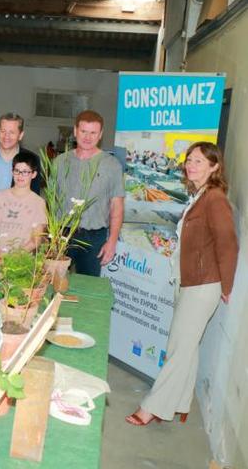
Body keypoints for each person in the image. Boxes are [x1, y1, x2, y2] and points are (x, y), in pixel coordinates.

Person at [126, 142, 238, 427]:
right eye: (189, 160)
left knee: (178, 348)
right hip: (188, 281)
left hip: (203, 285)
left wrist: (226, 286)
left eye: (199, 161)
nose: (191, 165)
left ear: (215, 167)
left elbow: (227, 244)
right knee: (188, 347)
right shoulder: (199, 195)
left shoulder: (215, 199)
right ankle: (179, 403)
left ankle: (152, 407)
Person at [54, 110, 124, 276]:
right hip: (61, 235)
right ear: (75, 131)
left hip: (94, 238)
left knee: (88, 288)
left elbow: (117, 206)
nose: (87, 137)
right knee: (54, 284)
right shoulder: (60, 162)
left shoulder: (112, 165)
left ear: (100, 134)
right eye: (84, 131)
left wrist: (112, 241)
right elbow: (52, 202)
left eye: (93, 132)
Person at [0, 151, 47, 264]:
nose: (20, 175)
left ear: (33, 174)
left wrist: (13, 257)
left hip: (21, 260)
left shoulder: (39, 202)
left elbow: (36, 240)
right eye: (17, 171)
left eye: (25, 172)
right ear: (12, 172)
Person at [0, 112, 41, 196]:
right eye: (3, 131)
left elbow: (34, 195)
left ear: (20, 135)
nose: (6, 136)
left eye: (12, 132)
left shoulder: (32, 160)